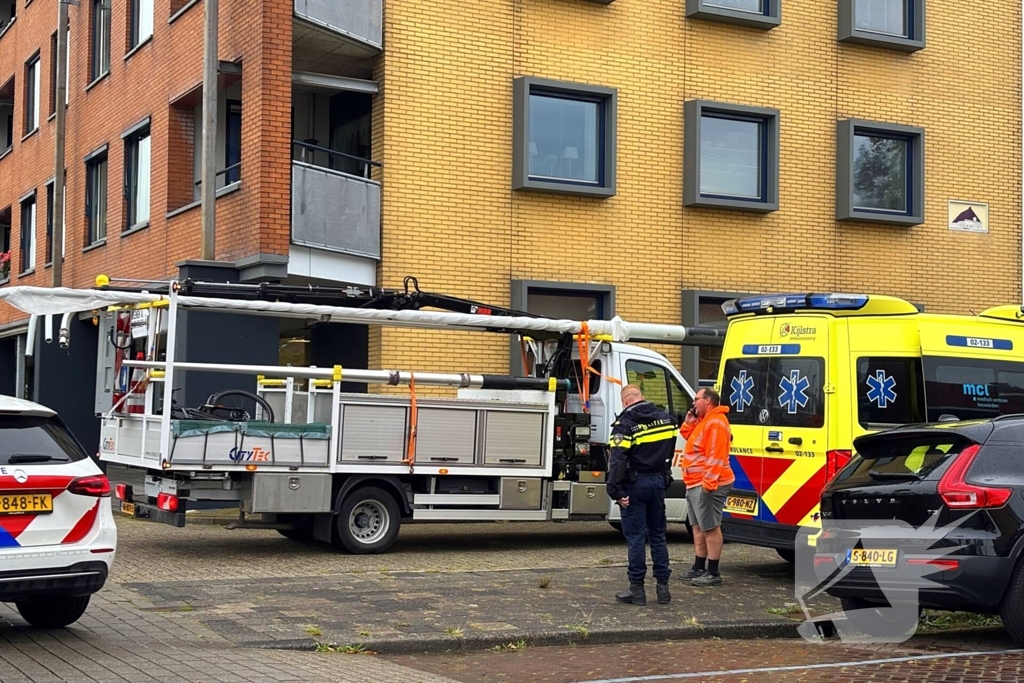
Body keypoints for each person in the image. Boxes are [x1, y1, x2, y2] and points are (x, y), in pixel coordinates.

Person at [606, 384, 677, 606]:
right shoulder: (667, 419)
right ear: (641, 397)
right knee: (658, 535)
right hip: (658, 481)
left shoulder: (624, 425)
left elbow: (617, 461)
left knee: (636, 537)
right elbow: (670, 451)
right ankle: (663, 589)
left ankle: (637, 590)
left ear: (625, 401)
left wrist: (615, 491)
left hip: (635, 485)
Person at [679, 387, 734, 587]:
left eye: (696, 399)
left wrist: (708, 484)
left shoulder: (716, 423)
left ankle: (713, 571)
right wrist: (689, 420)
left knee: (710, 527)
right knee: (698, 527)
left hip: (708, 484)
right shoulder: (704, 420)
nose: (694, 403)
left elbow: (715, 457)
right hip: (695, 482)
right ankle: (699, 566)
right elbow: (686, 435)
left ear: (708, 400)